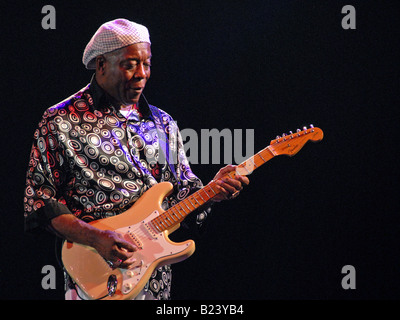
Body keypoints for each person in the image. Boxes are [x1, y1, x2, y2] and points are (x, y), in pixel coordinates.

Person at [23, 18, 249, 300]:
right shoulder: (61, 120)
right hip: (95, 278)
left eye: (147, 63)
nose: (141, 73)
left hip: (154, 281)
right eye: (130, 64)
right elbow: (40, 202)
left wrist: (212, 191)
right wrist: (97, 239)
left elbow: (181, 193)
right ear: (102, 64)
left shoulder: (163, 123)